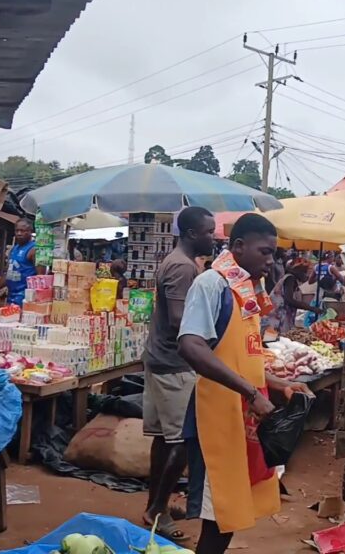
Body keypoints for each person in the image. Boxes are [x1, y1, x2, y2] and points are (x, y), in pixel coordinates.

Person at [177, 213, 313, 554]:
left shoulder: (245, 288)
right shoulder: (211, 284)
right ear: (238, 246)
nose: (270, 261)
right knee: (220, 513)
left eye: (273, 254)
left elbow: (241, 355)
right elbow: (191, 346)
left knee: (232, 511)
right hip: (217, 417)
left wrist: (276, 383)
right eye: (264, 252)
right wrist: (251, 392)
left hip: (244, 416)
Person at [141, 207, 216, 540]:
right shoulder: (183, 267)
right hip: (175, 365)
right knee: (184, 440)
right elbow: (178, 320)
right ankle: (158, 509)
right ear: (191, 234)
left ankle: (154, 505)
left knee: (163, 438)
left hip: (160, 359)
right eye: (209, 232)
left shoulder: (179, 262)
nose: (213, 237)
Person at [262, 258, 322, 338]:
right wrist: (311, 308)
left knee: (275, 339)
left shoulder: (291, 279)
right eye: (306, 273)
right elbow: (289, 300)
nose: (307, 276)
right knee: (274, 339)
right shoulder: (290, 279)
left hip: (278, 315)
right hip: (277, 316)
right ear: (300, 272)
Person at [6, 218, 39, 306]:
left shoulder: (34, 249)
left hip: (25, 297)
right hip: (11, 296)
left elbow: (40, 276)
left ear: (30, 232)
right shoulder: (14, 249)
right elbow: (8, 272)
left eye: (23, 231)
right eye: (17, 231)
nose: (19, 233)